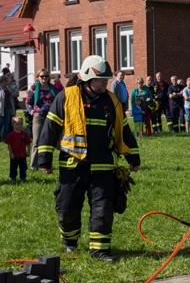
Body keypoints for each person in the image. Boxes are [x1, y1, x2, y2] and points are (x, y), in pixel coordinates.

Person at [38, 55, 140, 262]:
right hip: (72, 165)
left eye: (106, 79)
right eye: (101, 79)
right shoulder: (66, 97)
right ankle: (70, 242)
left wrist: (133, 156)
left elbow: (124, 130)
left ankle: (100, 251)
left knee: (103, 209)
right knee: (67, 208)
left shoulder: (111, 101)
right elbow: (50, 128)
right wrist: (44, 159)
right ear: (87, 77)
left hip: (103, 167)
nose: (105, 83)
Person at [25, 69, 57, 171]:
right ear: (38, 77)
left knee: (49, 141)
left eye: (46, 76)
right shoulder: (34, 87)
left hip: (51, 117)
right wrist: (32, 112)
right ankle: (34, 166)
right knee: (37, 141)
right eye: (42, 76)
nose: (44, 78)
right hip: (39, 117)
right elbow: (28, 102)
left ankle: (47, 164)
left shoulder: (53, 88)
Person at [4, 116, 32, 183]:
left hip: (22, 154)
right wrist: (11, 153)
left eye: (21, 124)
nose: (19, 126)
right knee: (13, 167)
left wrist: (28, 151)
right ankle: (13, 178)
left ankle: (23, 178)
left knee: (23, 167)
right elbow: (9, 144)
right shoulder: (11, 135)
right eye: (17, 124)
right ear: (13, 125)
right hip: (14, 154)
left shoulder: (25, 134)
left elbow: (28, 143)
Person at [0, 76, 16, 140]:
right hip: (0, 109)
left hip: (8, 108)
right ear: (3, 81)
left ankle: (5, 137)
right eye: (7, 81)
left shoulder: (7, 88)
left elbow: (12, 95)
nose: (8, 82)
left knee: (7, 123)